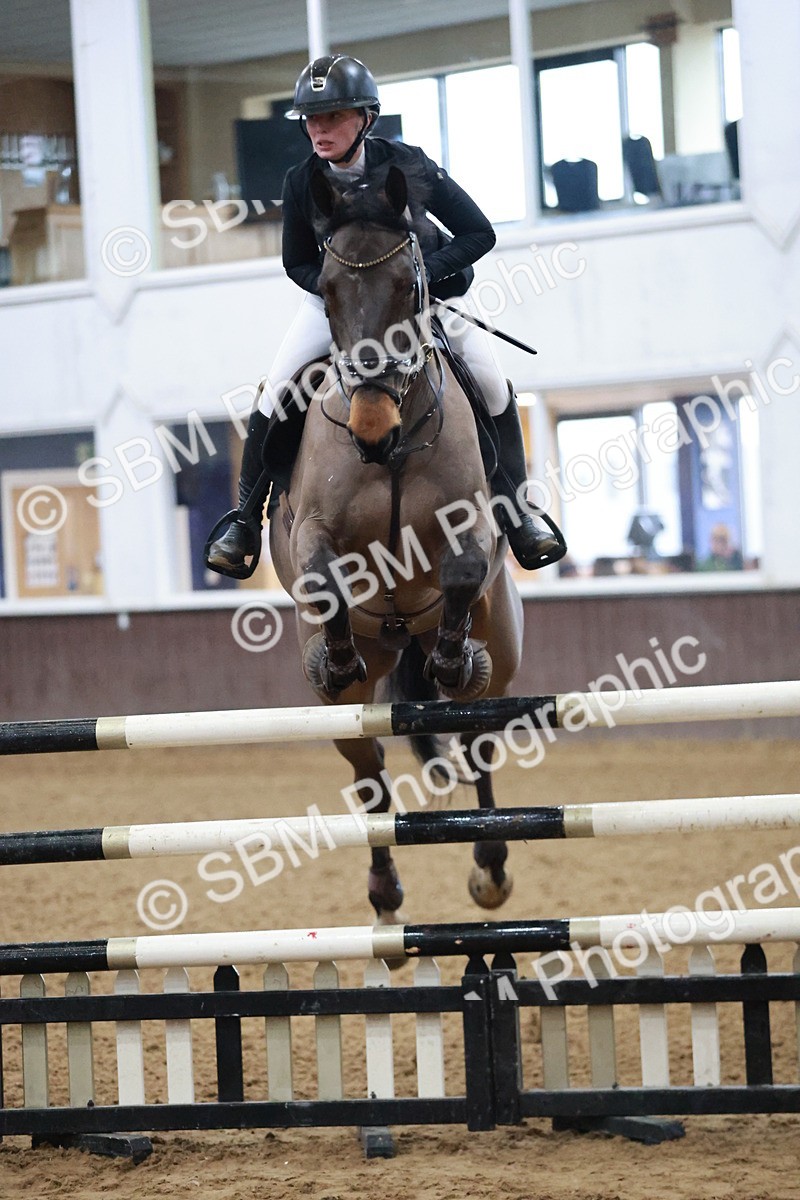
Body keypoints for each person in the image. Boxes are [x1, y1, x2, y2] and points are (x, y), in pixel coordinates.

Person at [207, 53, 564, 577]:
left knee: (490, 382)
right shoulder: (301, 180)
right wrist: (341, 297)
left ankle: (518, 516)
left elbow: (479, 233)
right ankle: (244, 520)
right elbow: (296, 262)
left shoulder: (409, 164)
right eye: (311, 119)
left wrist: (422, 278)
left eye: (331, 117)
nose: (318, 130)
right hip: (339, 309)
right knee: (279, 386)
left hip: (426, 296)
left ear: (365, 119)